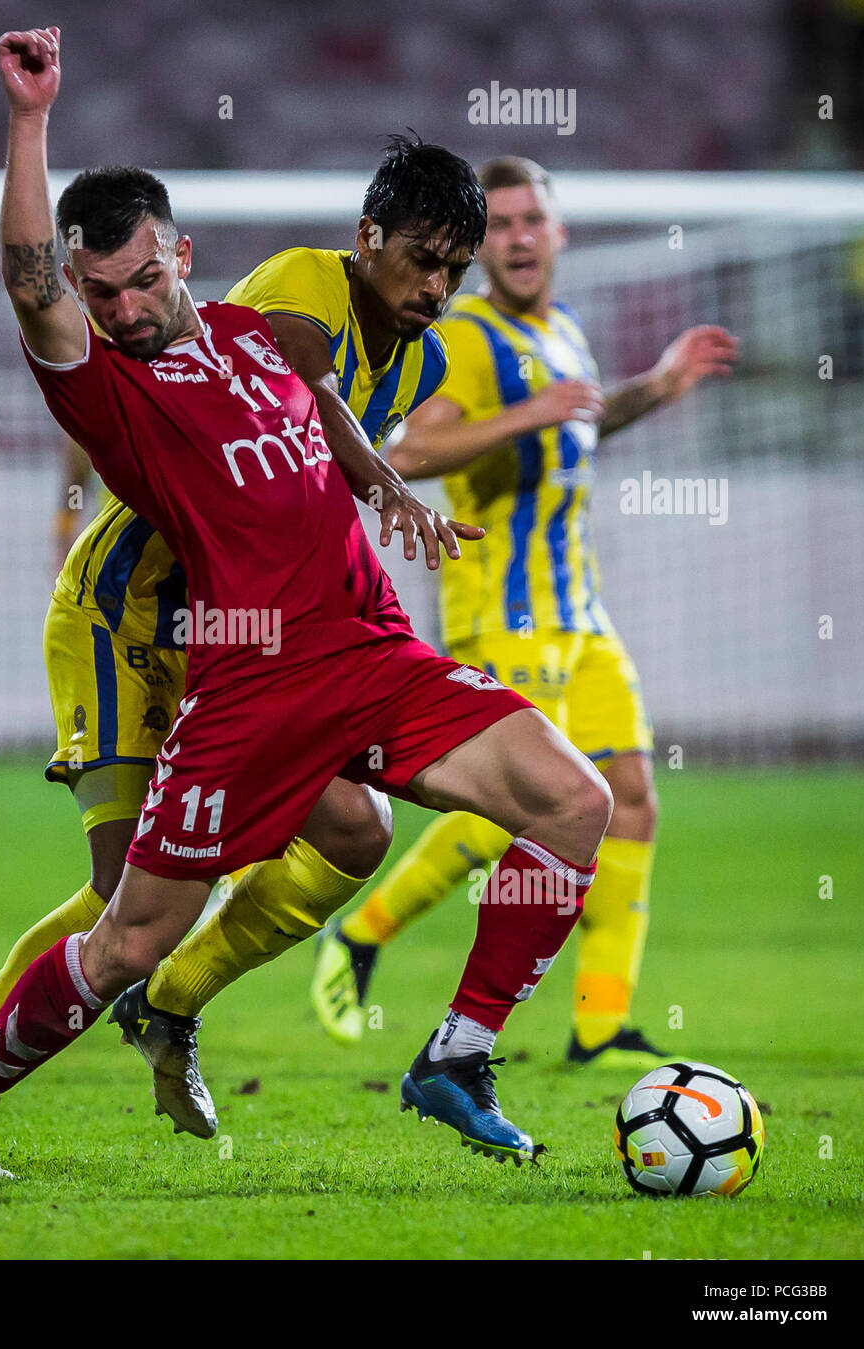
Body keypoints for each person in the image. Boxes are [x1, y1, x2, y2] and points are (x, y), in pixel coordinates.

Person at [0, 27, 612, 1181]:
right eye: (103, 293)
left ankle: (457, 1050)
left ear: (183, 254)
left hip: (373, 653)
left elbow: (327, 400)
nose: (129, 307)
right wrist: (31, 120)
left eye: (146, 278)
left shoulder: (257, 337)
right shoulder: (114, 395)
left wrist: (383, 487)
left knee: (573, 800)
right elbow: (29, 280)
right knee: (127, 932)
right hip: (245, 686)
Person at [313, 156, 738, 1067]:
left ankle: (598, 1020)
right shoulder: (466, 337)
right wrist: (524, 414)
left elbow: (572, 421)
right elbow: (406, 451)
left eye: (530, 220)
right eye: (498, 224)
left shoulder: (564, 334)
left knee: (629, 801)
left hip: (579, 614)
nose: (516, 237)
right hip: (501, 614)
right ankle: (360, 934)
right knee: (521, 805)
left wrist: (654, 389)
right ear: (482, 246)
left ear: (557, 232)